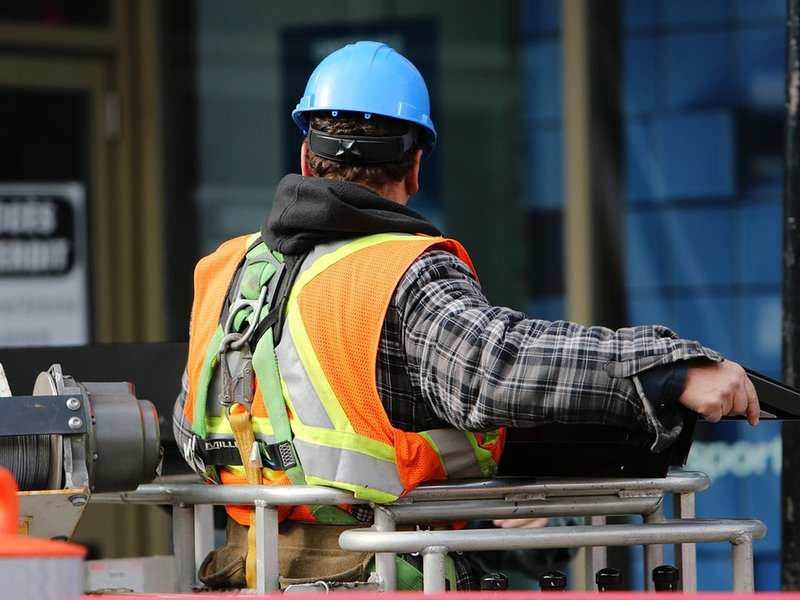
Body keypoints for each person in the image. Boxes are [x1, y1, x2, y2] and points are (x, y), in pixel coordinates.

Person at [173, 40, 760, 591]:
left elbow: (191, 422)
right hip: (380, 577)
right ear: (415, 167)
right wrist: (670, 369)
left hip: (249, 575)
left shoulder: (226, 272)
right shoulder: (400, 272)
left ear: (305, 155)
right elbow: (494, 367)